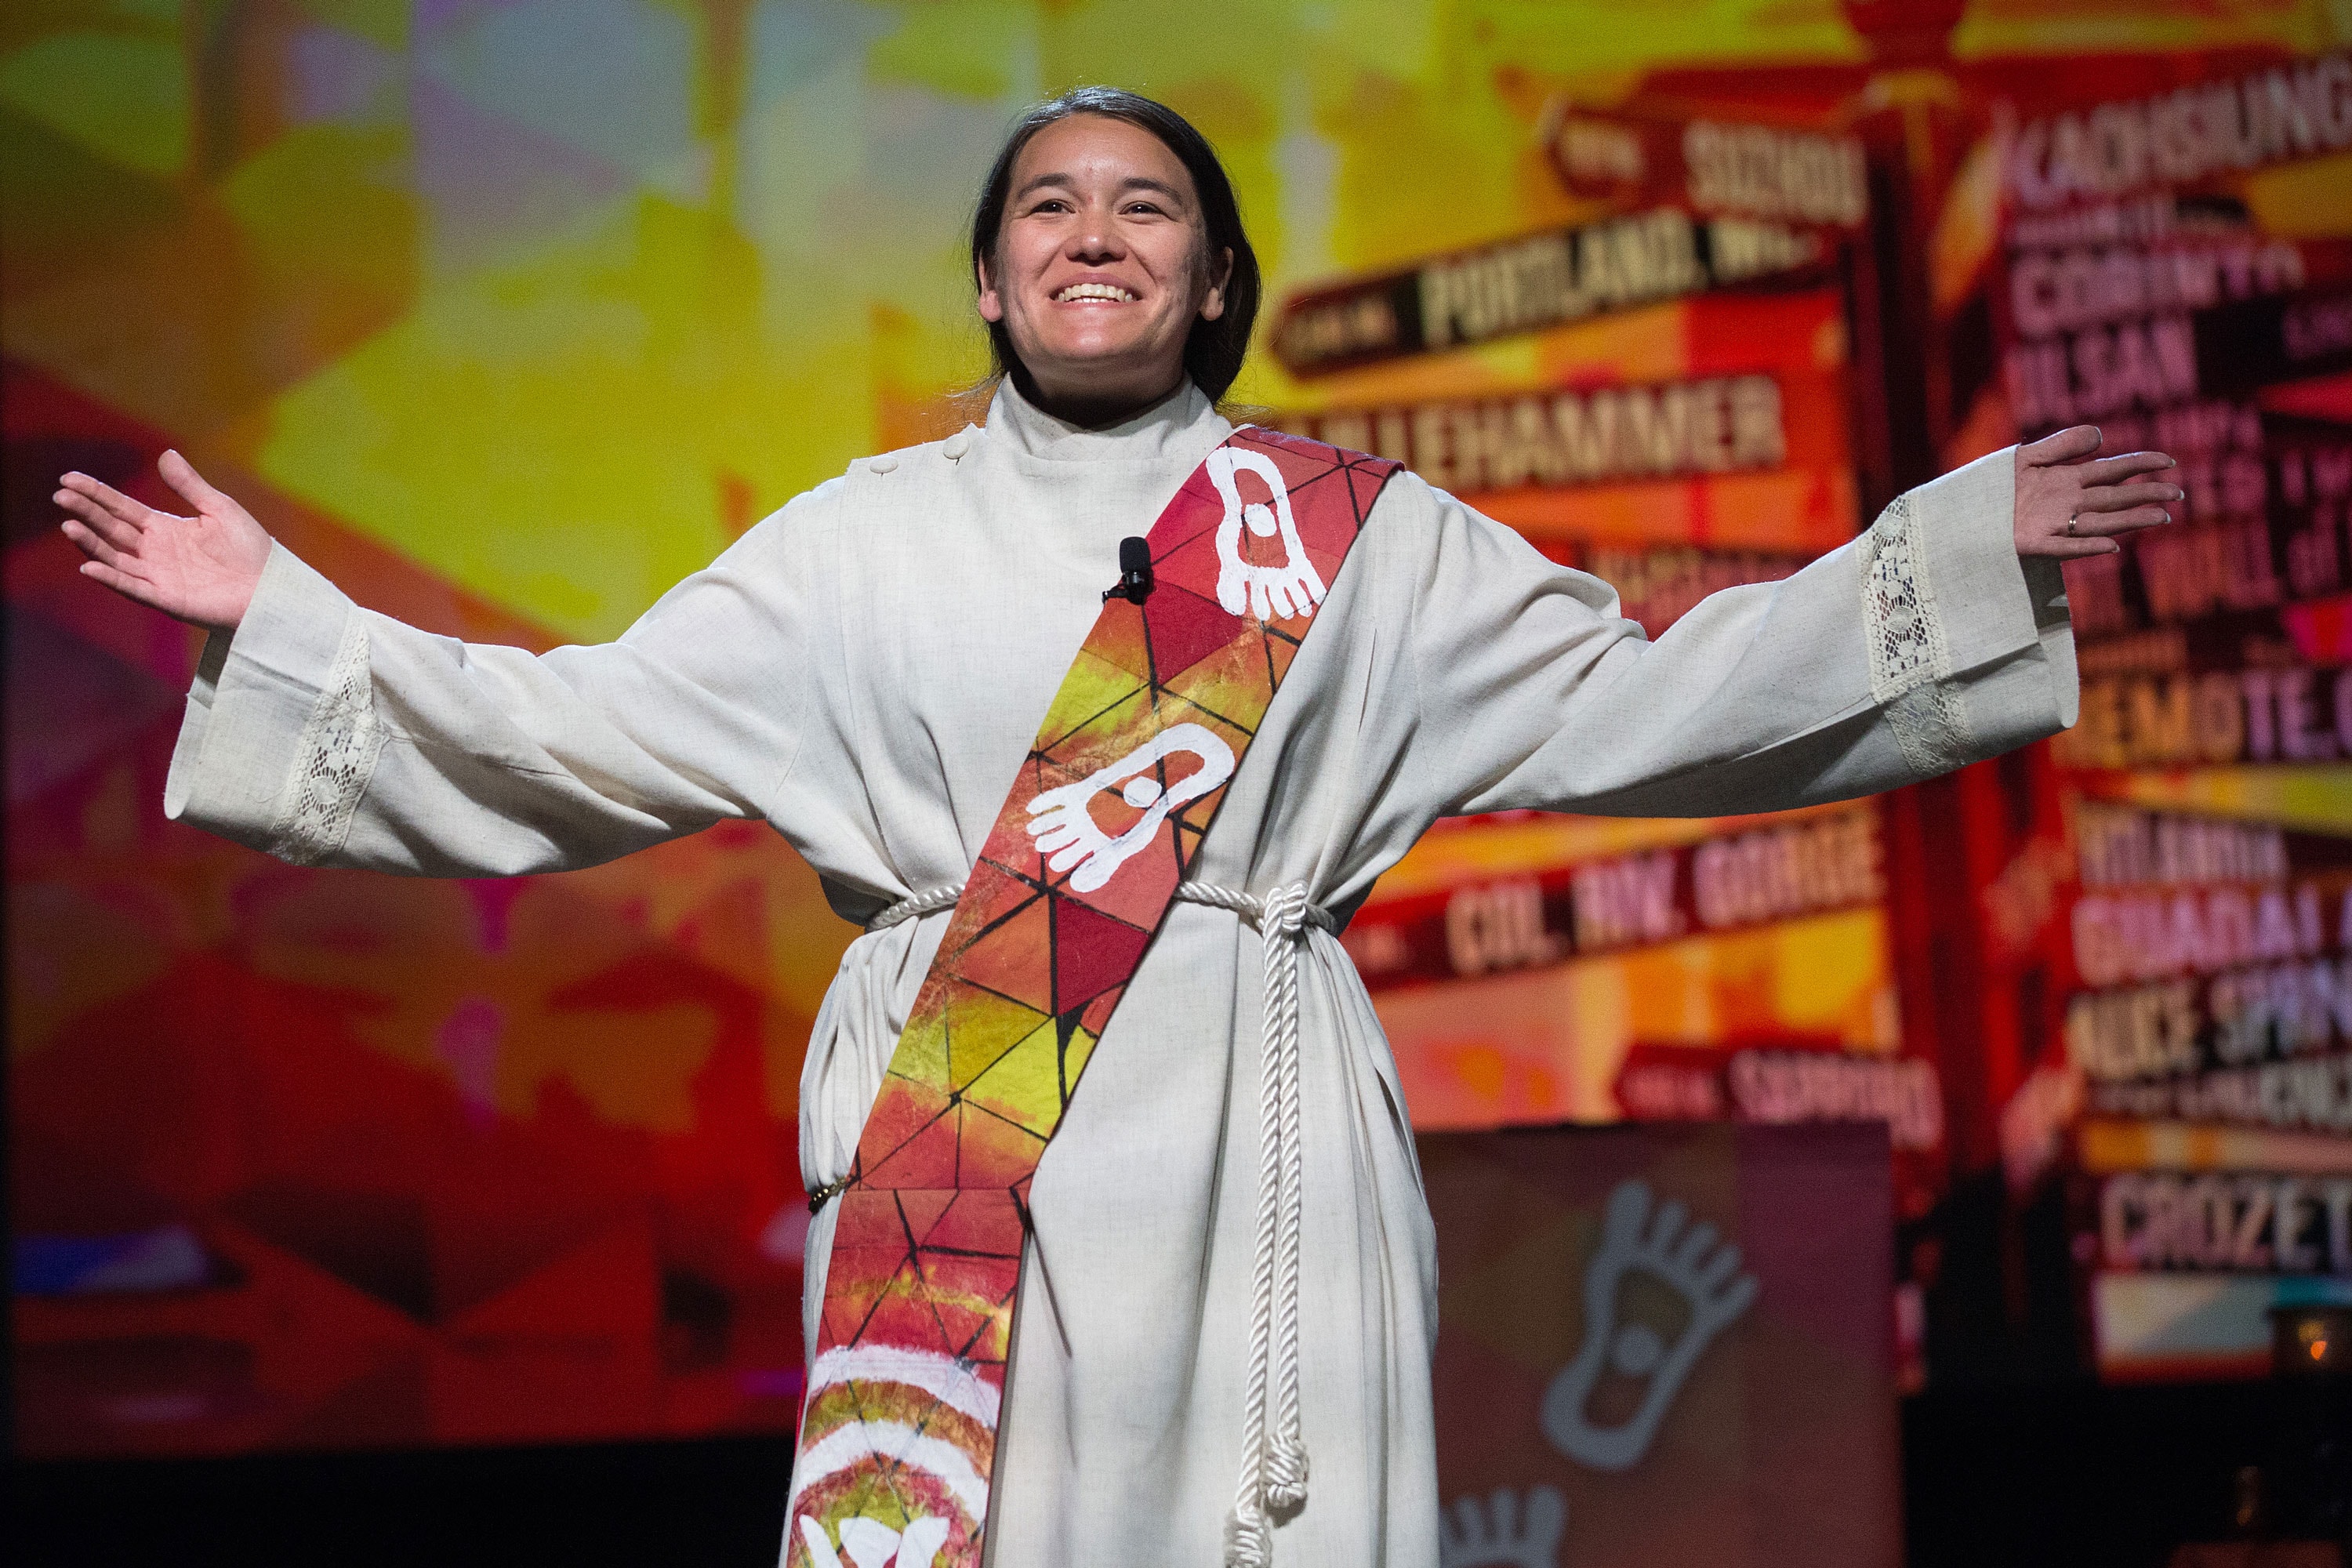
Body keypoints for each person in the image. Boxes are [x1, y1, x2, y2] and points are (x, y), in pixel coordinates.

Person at [56, 86, 2177, 1568]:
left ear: (1214, 279)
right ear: (988, 282)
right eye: (1049, 208)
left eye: (1144, 207)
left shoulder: (1356, 540)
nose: (1094, 233)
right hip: (968, 1127)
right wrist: (292, 625)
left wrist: (1957, 556)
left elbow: (1651, 697)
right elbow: (576, 730)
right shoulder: (859, 545)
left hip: (1262, 1140)